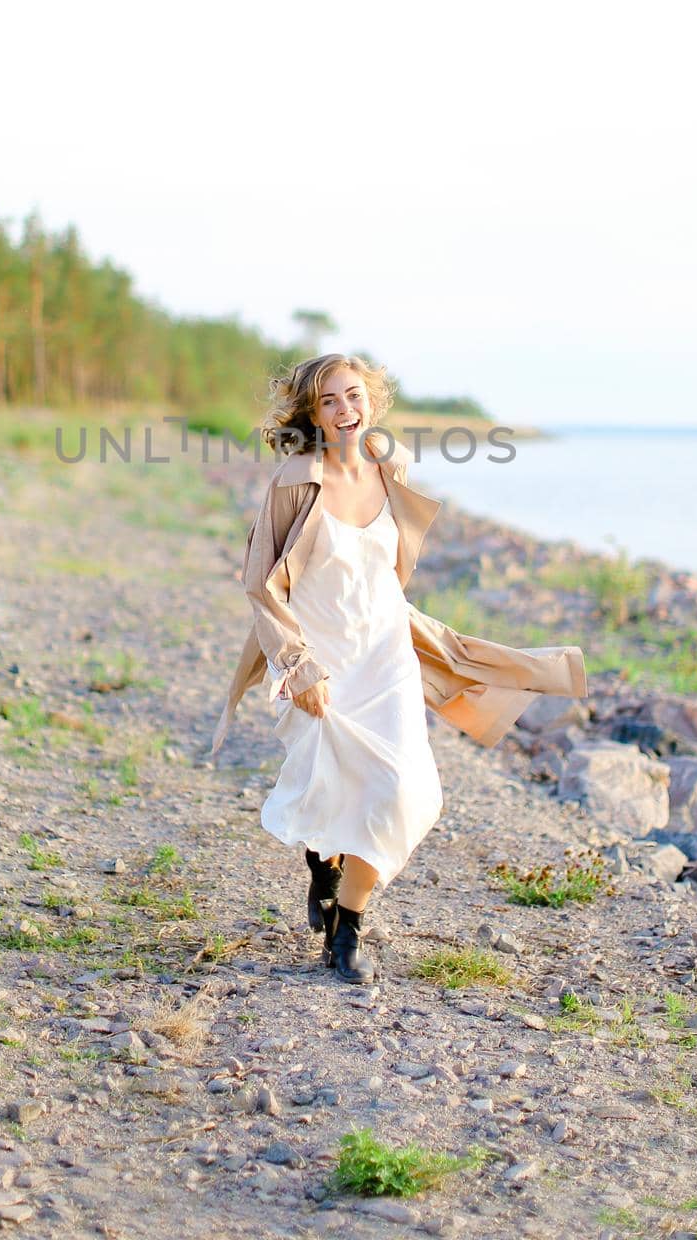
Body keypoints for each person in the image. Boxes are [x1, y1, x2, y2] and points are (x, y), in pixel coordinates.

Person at [254, 354, 448, 985]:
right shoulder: (295, 481)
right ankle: (323, 867)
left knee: (406, 790)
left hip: (386, 655)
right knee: (329, 786)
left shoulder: (394, 468)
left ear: (373, 400)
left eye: (354, 396)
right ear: (312, 413)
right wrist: (299, 665)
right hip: (321, 655)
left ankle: (348, 927)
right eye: (330, 401)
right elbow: (260, 585)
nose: (345, 411)